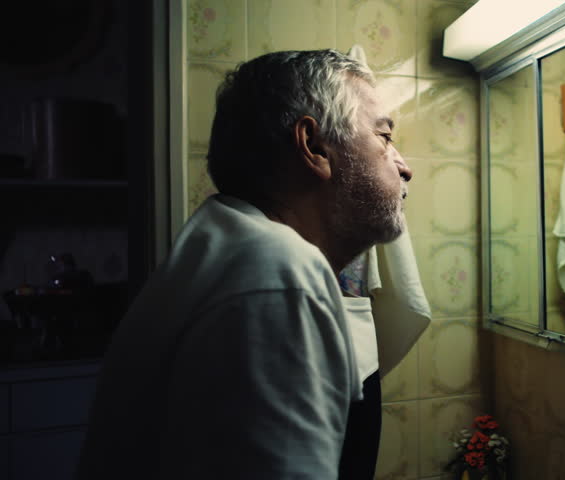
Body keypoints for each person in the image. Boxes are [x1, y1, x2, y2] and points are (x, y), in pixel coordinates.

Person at [76, 49, 412, 479]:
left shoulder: (225, 246)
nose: (404, 167)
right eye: (384, 137)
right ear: (314, 147)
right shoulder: (279, 274)